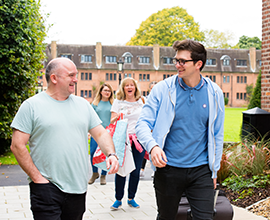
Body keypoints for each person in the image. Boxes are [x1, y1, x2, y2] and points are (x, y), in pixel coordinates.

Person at [10, 57, 119, 220]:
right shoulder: (31, 106)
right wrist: (37, 178)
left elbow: (101, 133)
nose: (76, 79)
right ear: (54, 78)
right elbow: (17, 145)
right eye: (71, 75)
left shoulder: (83, 105)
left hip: (78, 188)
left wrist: (111, 154)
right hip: (46, 188)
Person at [136, 39, 225, 220]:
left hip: (201, 170)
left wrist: (214, 171)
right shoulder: (162, 89)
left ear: (198, 64)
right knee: (166, 216)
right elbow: (143, 123)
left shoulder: (214, 92)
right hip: (168, 168)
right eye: (176, 60)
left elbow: (217, 134)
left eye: (183, 61)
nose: (177, 65)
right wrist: (153, 147)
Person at [110, 77, 146, 210]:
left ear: (135, 88)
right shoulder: (118, 102)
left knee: (136, 170)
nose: (130, 87)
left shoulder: (142, 101)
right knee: (121, 170)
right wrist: (119, 114)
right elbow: (112, 121)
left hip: (138, 140)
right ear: (123, 88)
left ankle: (131, 198)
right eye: (127, 85)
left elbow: (147, 119)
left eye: (132, 85)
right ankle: (118, 199)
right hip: (123, 139)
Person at [88, 83, 114, 185]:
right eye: (105, 90)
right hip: (96, 133)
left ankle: (103, 175)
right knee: (93, 153)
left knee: (106, 154)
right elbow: (90, 118)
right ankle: (95, 173)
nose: (107, 92)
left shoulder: (113, 104)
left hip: (108, 133)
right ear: (101, 92)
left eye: (109, 91)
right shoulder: (95, 104)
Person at [140, 81, 157, 178]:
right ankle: (142, 169)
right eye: (152, 88)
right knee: (144, 148)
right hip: (147, 127)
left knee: (155, 148)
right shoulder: (145, 100)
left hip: (156, 128)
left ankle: (154, 168)